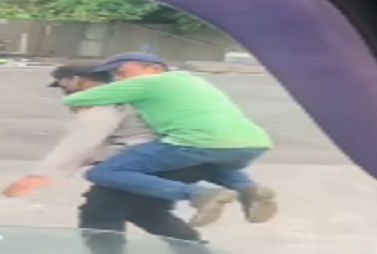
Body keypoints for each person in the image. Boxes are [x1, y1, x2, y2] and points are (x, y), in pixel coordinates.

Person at [4, 62, 222, 254]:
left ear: (76, 81)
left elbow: (82, 142)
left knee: (100, 213)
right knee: (149, 212)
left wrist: (40, 175)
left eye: (64, 85)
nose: (65, 93)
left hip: (134, 164)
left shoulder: (104, 101)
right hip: (166, 160)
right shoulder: (133, 96)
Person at [59, 52, 278, 228]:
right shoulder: (192, 80)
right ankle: (248, 189)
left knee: (103, 173)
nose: (119, 78)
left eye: (123, 72)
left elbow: (76, 99)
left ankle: (197, 195)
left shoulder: (147, 83)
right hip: (252, 143)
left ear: (154, 69)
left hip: (195, 142)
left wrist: (78, 88)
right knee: (205, 161)